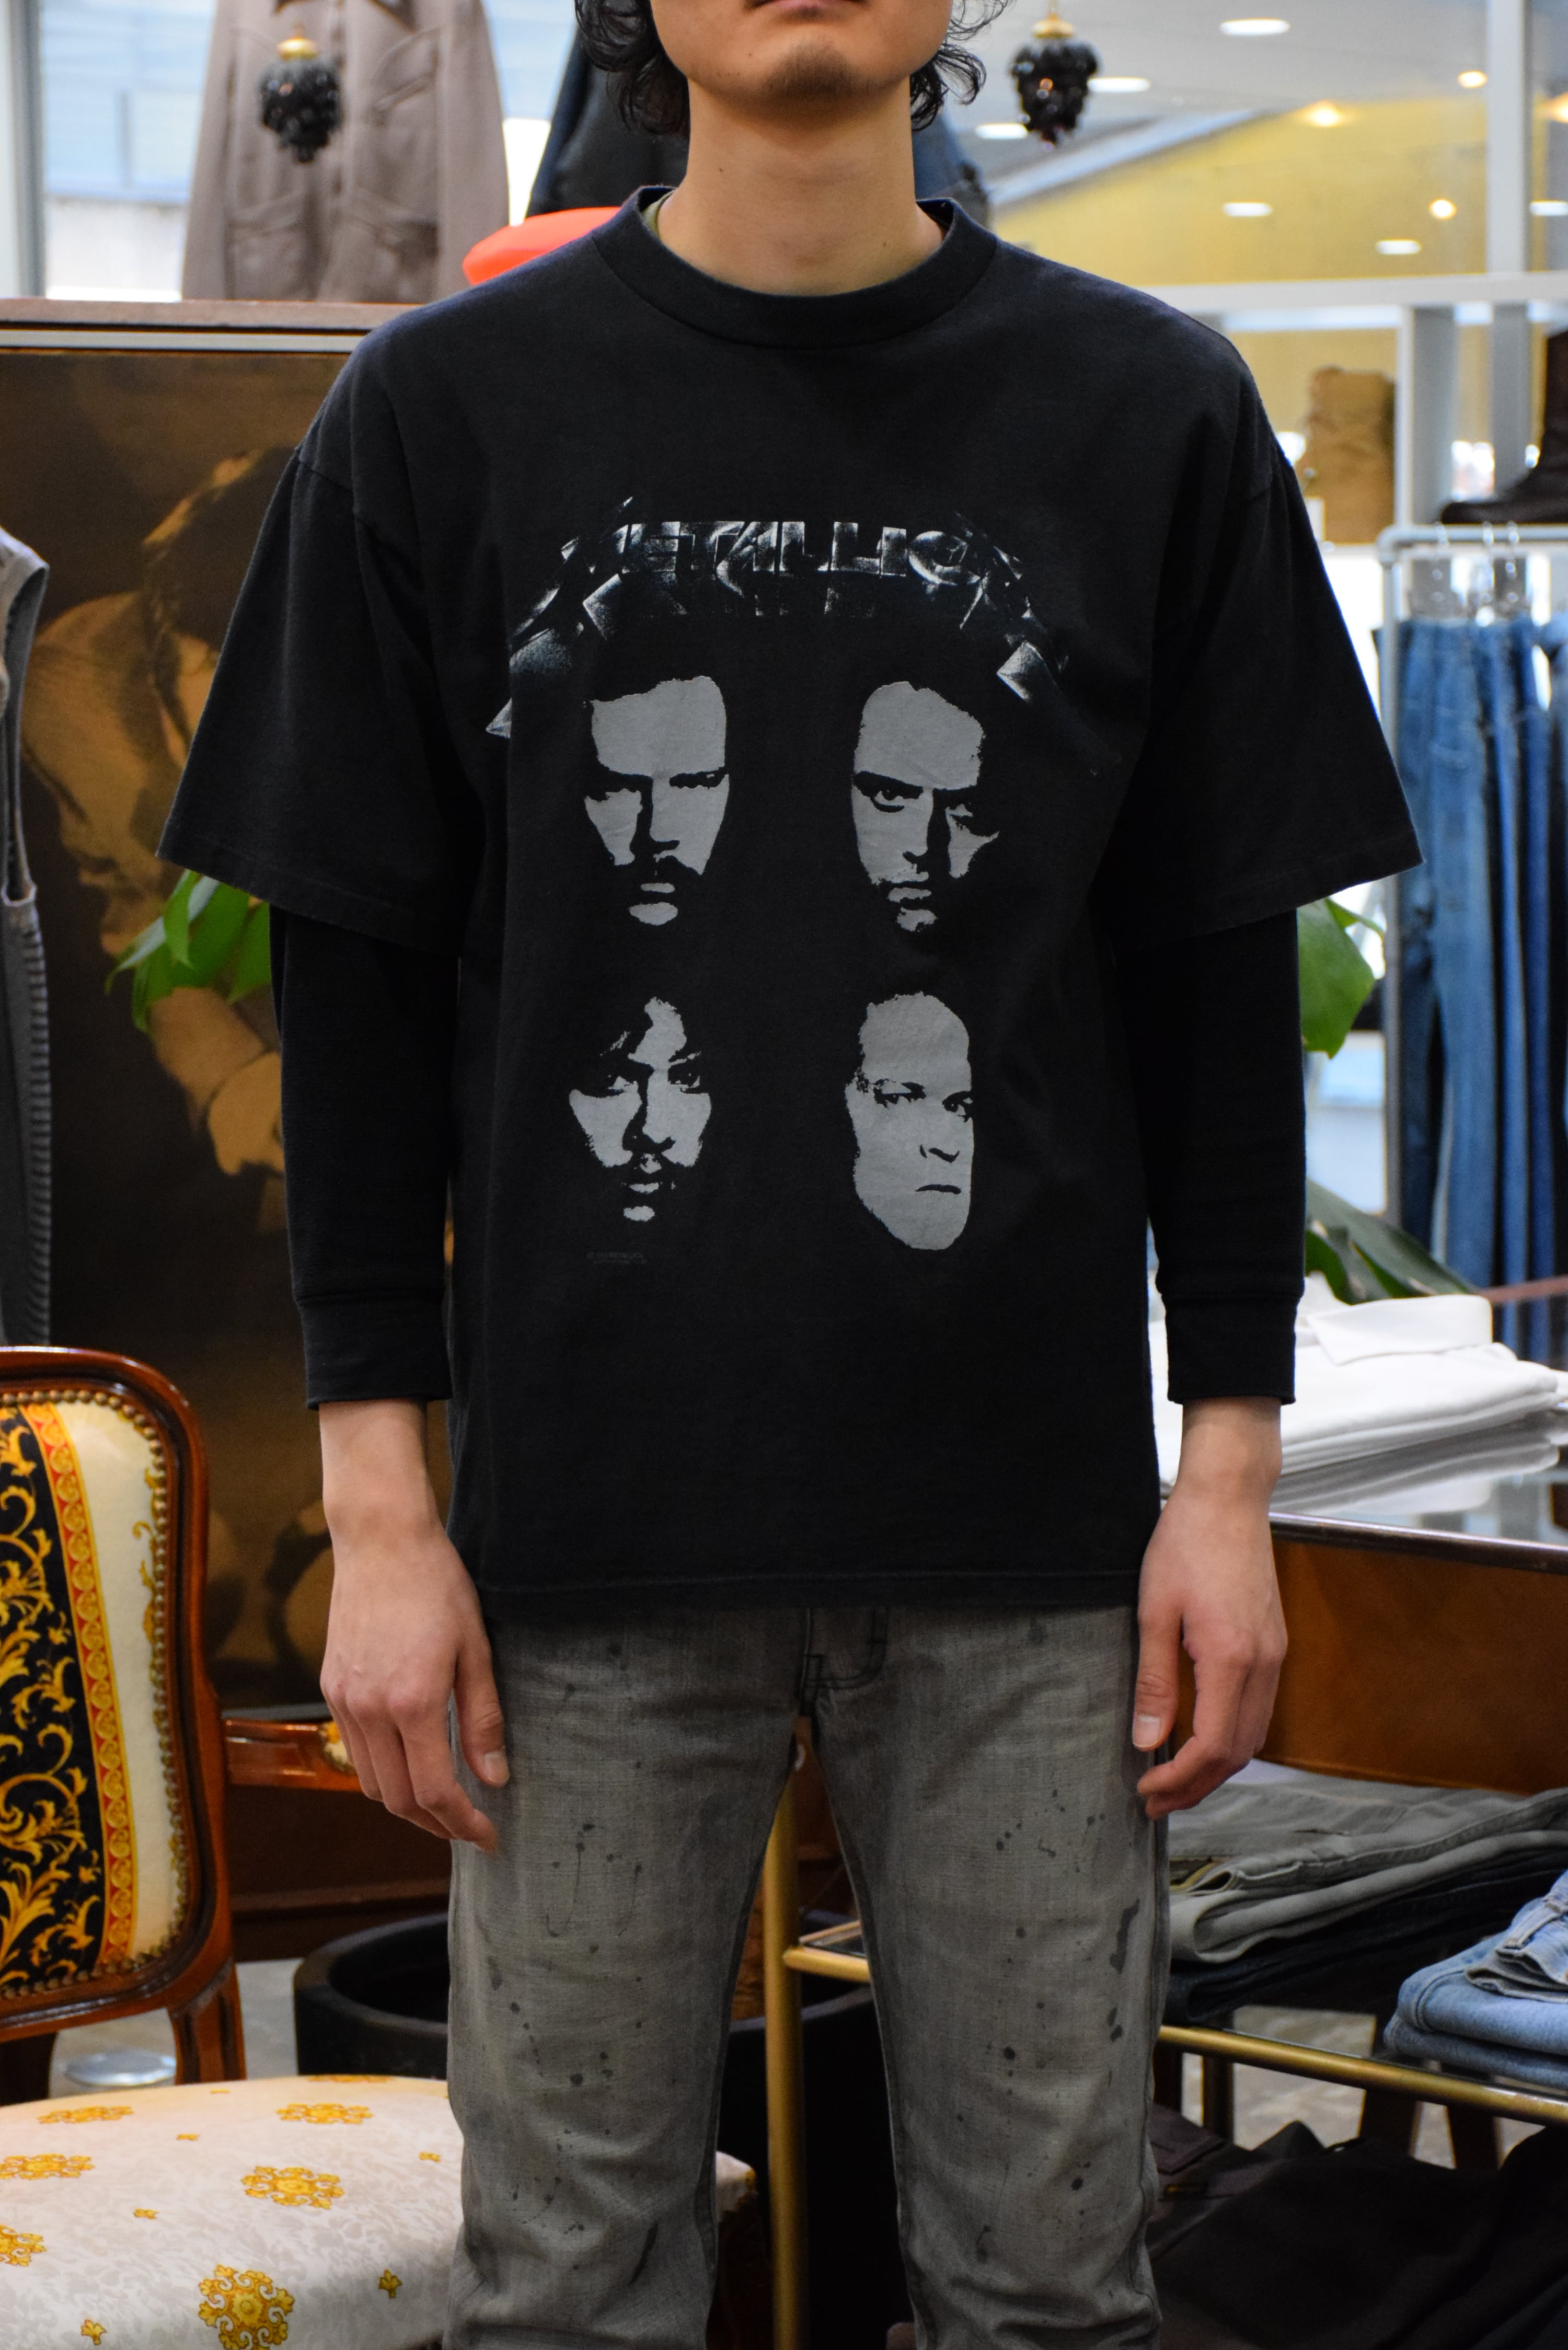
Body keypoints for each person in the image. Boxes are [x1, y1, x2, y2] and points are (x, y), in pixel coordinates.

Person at [161, 0, 1419, 2331]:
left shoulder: (1148, 412)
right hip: (578, 1549)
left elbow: (1217, 994)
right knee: (570, 2286)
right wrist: (382, 1512)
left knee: (1051, 2285)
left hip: (1032, 1545)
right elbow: (353, 1003)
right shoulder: (439, 413)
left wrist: (1228, 1477)